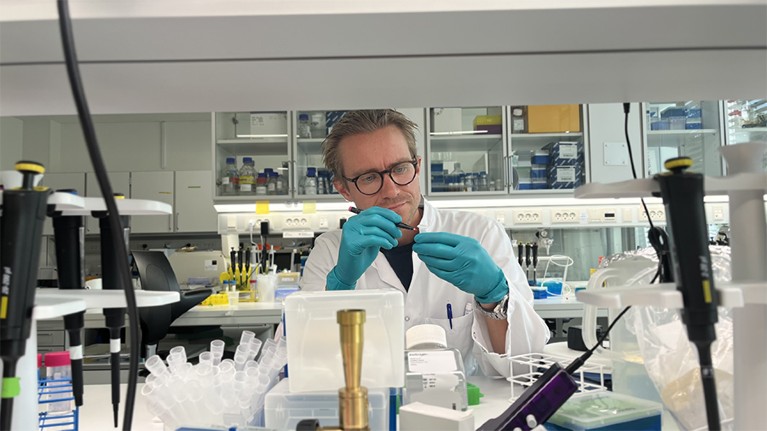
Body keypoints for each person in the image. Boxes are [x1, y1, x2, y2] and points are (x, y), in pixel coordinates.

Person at [300, 109, 549, 376]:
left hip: (460, 410)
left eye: (400, 168)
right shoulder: (329, 252)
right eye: (369, 178)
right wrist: (339, 287)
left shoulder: (481, 233)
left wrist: (495, 295)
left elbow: (524, 366)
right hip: (371, 411)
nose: (392, 190)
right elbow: (308, 365)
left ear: (417, 167)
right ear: (344, 189)